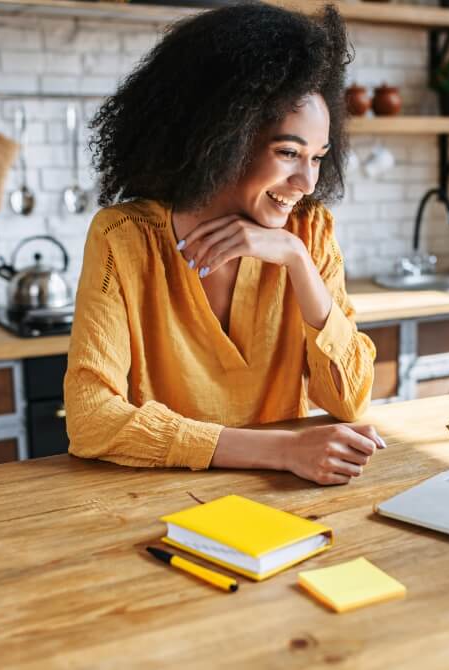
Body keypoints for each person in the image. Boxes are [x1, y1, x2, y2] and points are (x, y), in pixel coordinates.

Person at [64, 1, 385, 486]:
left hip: (287, 498)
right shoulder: (123, 238)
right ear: (221, 137)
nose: (305, 180)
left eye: (318, 157)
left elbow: (350, 399)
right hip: (163, 500)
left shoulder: (309, 232)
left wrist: (297, 261)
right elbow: (91, 421)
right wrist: (282, 450)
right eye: (288, 152)